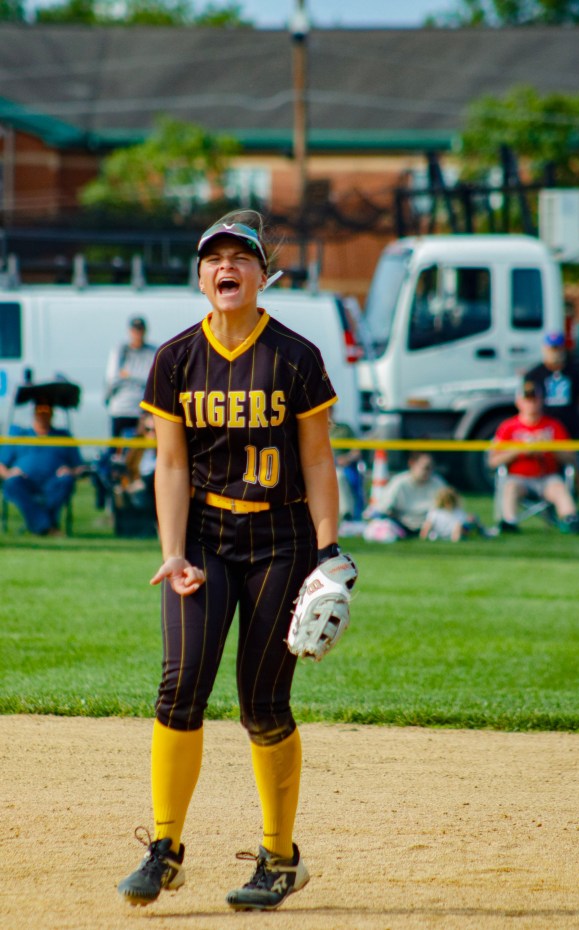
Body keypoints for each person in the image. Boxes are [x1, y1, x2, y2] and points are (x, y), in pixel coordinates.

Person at [117, 210, 344, 913]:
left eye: (239, 257)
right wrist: (173, 552)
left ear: (260, 273)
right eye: (213, 257)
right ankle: (165, 849)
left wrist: (329, 551)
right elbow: (172, 464)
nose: (226, 267)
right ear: (199, 276)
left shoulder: (296, 356)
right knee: (179, 688)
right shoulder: (177, 357)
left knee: (261, 702)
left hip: (281, 542)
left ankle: (281, 858)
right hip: (208, 541)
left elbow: (315, 458)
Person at [489, 379, 579, 533]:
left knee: (558, 487)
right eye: (527, 400)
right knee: (510, 487)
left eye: (534, 400)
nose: (531, 404)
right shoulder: (508, 427)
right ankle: (509, 522)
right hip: (519, 478)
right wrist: (519, 449)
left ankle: (570, 520)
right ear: (519, 402)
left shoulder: (553, 426)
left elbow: (572, 459)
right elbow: (493, 461)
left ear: (541, 401)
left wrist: (549, 446)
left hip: (547, 477)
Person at [0, 400, 86, 535]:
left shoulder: (63, 437)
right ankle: (47, 526)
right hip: (24, 482)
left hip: (53, 483)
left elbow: (80, 467)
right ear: (34, 414)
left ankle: (40, 525)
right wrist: (9, 473)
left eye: (46, 412)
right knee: (12, 482)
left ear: (52, 414)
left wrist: (70, 471)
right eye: (40, 412)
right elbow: (1, 464)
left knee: (66, 481)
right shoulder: (20, 435)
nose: (43, 416)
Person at [367, 451, 445, 537]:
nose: (428, 471)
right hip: (401, 524)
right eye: (425, 468)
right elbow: (382, 508)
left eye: (431, 468)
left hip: (429, 525)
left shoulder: (437, 483)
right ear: (412, 464)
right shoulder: (399, 483)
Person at [524, 331, 579, 438]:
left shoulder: (574, 372)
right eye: (551, 349)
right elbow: (528, 402)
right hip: (544, 426)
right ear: (544, 349)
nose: (555, 352)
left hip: (570, 425)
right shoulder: (533, 374)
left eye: (558, 348)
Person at [104, 316, 156, 438]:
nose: (137, 334)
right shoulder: (120, 350)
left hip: (142, 411)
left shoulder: (152, 351)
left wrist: (129, 375)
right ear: (130, 331)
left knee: (139, 452)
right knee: (116, 453)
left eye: (140, 330)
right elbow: (112, 379)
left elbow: (153, 379)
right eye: (135, 330)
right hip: (120, 409)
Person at [420, 486, 487, 542]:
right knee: (468, 521)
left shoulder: (434, 512)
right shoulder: (458, 512)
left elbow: (428, 525)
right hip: (453, 534)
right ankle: (484, 534)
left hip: (437, 536)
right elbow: (460, 525)